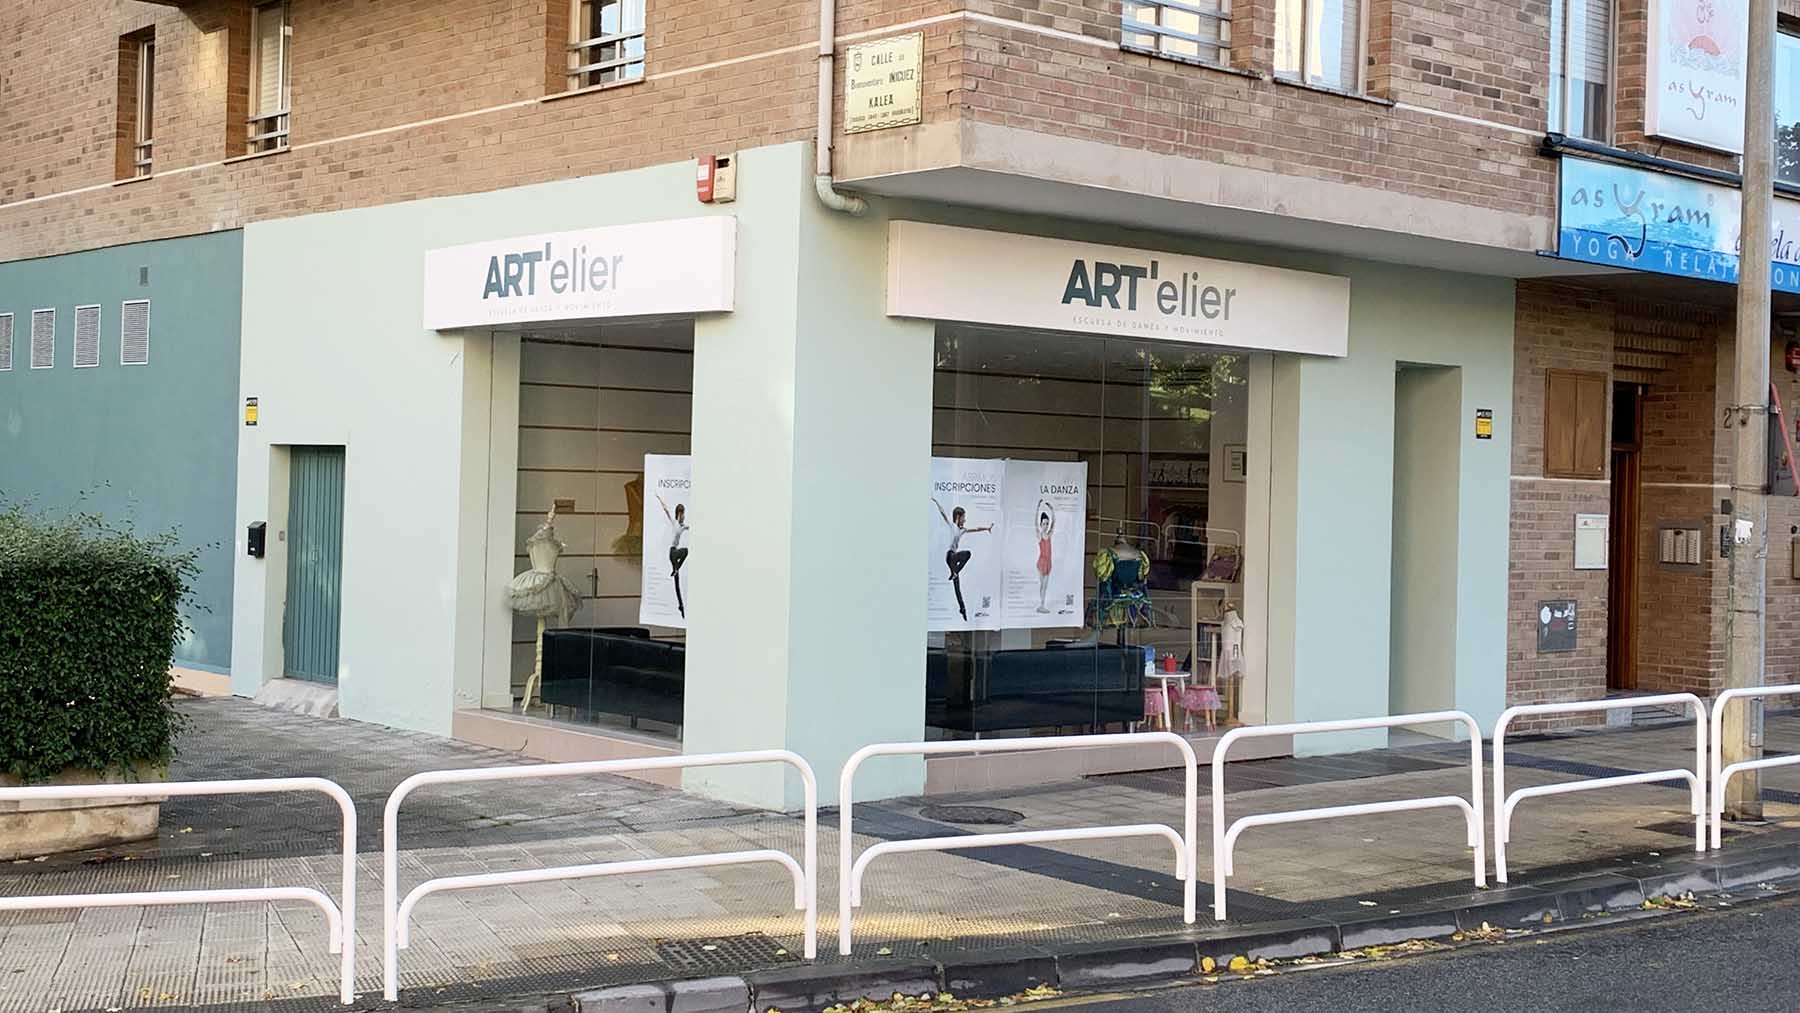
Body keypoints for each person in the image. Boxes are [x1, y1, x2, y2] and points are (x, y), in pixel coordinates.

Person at [933, 498, 992, 621]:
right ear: (958, 517)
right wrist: (936, 501)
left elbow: (976, 529)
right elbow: (943, 512)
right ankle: (955, 572)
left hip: (955, 561)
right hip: (950, 556)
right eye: (963, 517)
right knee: (965, 554)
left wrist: (987, 528)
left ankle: (962, 609)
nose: (965, 520)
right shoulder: (952, 526)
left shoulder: (962, 530)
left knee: (957, 587)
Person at [657, 494, 689, 618]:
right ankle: (676, 570)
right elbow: (666, 509)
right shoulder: (674, 522)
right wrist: (659, 498)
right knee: (684, 552)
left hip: (676, 552)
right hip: (672, 553)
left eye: (684, 514)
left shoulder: (683, 526)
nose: (683, 516)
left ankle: (681, 606)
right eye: (682, 514)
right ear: (679, 514)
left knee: (677, 581)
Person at [1035, 500, 1055, 614]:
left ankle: (1042, 605)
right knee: (1042, 585)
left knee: (1045, 586)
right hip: (1042, 562)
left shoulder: (1049, 534)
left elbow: (1054, 523)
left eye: (1047, 523)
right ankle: (1041, 605)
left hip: (1048, 562)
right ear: (1041, 524)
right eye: (1044, 524)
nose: (1046, 526)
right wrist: (1038, 508)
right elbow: (1035, 523)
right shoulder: (1040, 535)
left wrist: (1052, 510)